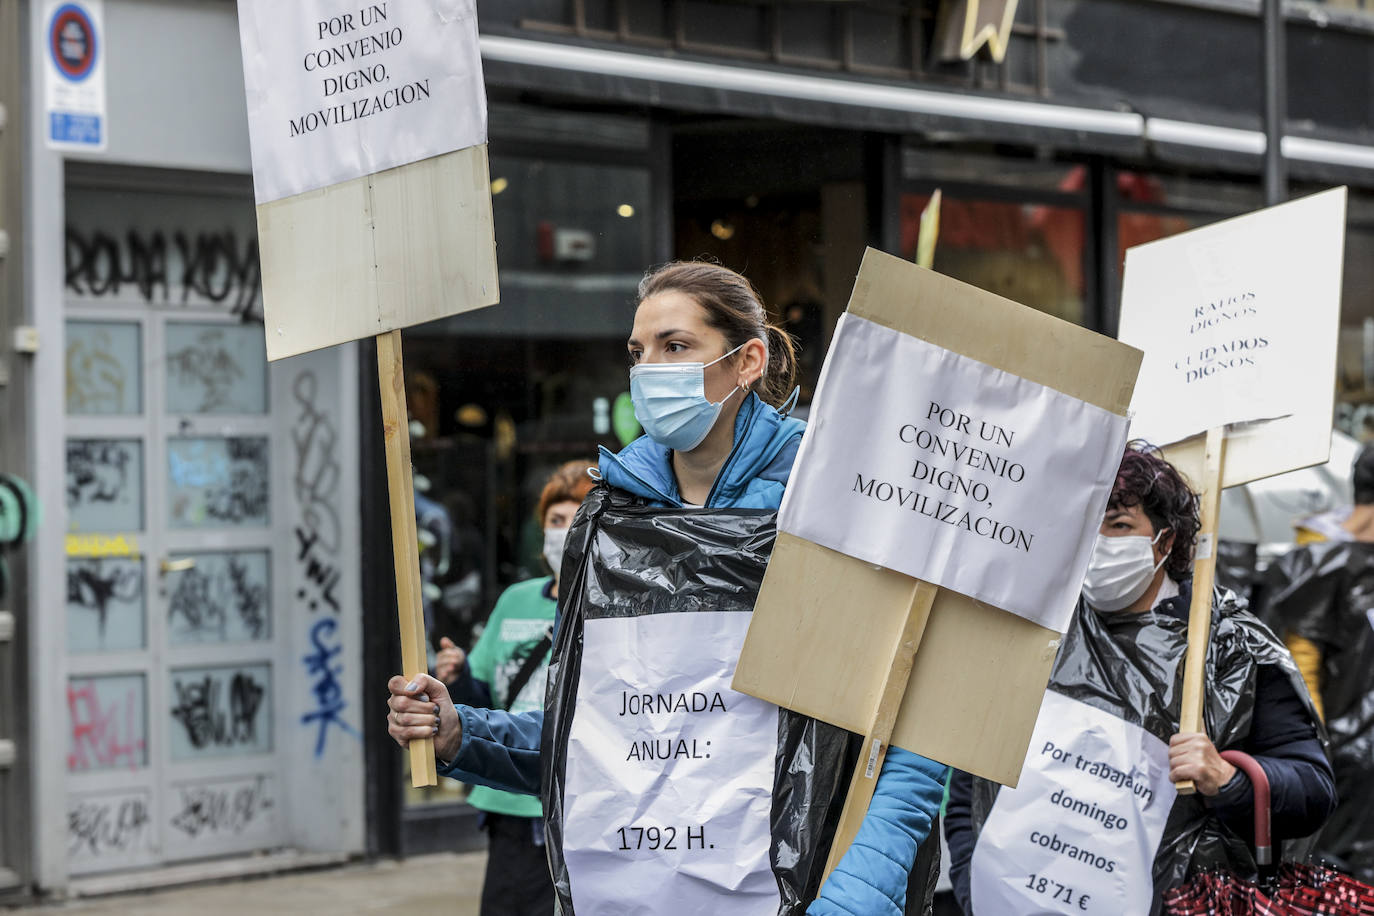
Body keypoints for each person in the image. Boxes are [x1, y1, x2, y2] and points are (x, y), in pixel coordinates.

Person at [388, 261, 949, 915]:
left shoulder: (833, 497)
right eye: (638, 352)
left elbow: (913, 737)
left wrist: (854, 900)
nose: (650, 369)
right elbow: (599, 738)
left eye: (676, 346)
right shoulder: (611, 517)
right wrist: (462, 735)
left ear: (747, 362)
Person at [944, 443, 1335, 915]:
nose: (1100, 544)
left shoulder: (1230, 650)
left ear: (1165, 542)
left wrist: (1227, 780)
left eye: (1120, 525)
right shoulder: (1036, 626)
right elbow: (970, 776)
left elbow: (1312, 789)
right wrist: (971, 882)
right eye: (1088, 527)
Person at [430, 461, 594, 916]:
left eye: (575, 518)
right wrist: (458, 676)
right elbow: (482, 704)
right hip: (508, 806)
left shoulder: (613, 605)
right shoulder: (514, 601)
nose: (563, 531)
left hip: (573, 806)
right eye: (554, 521)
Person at [1259, 442, 1374, 883]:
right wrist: (1321, 756)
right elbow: (1296, 675)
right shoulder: (1321, 563)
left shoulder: (1319, 558)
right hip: (1340, 781)